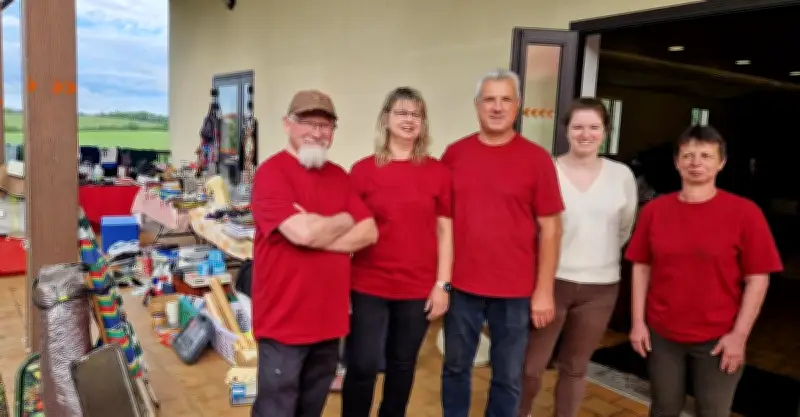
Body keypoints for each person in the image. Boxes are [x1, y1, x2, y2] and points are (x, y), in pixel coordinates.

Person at [625, 125, 782, 417]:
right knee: (663, 408)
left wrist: (739, 335)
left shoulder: (745, 213)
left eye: (706, 156)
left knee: (713, 410)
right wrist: (637, 322)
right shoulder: (655, 211)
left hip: (719, 338)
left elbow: (758, 279)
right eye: (688, 155)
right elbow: (641, 266)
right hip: (663, 335)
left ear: (721, 162)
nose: (696, 162)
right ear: (676, 161)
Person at [440, 68, 564, 417]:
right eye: (489, 99)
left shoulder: (536, 159)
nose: (497, 107)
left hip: (515, 290)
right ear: (477, 106)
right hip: (462, 285)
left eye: (505, 99)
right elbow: (441, 223)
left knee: (508, 376)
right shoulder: (454, 154)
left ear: (518, 106)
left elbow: (551, 229)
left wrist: (544, 291)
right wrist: (440, 281)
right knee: (454, 368)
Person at [250, 89, 379, 417]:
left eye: (327, 126)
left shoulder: (339, 176)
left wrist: (318, 232)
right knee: (275, 410)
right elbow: (303, 232)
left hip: (329, 322)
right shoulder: (272, 174)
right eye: (308, 122)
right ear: (287, 124)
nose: (318, 132)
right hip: (283, 323)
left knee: (312, 409)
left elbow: (368, 232)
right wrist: (342, 220)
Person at [517, 98, 638, 417]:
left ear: (605, 132)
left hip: (601, 289)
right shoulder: (547, 170)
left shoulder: (621, 175)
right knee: (531, 366)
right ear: (566, 131)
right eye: (578, 127)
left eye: (594, 127)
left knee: (575, 367)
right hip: (551, 283)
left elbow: (623, 228)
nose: (586, 134)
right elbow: (533, 230)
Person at [341, 87, 453, 417]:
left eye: (416, 114)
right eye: (402, 113)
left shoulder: (438, 172)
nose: (409, 120)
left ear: (424, 123)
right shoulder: (362, 171)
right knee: (361, 364)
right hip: (367, 284)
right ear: (386, 118)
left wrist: (443, 284)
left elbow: (446, 231)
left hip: (416, 287)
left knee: (402, 366)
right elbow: (350, 231)